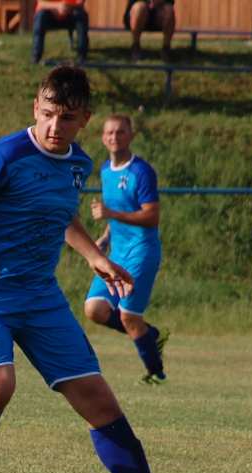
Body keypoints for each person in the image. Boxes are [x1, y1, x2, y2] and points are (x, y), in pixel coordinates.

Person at [0, 65, 193, 473]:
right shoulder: (1, 158)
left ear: (84, 120)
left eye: (67, 118)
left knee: (99, 398)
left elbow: (60, 215)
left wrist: (95, 256)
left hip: (40, 295)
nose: (55, 126)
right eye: (48, 113)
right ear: (36, 106)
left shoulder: (77, 164)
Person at [84, 114, 167, 385]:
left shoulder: (141, 172)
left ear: (131, 136)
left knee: (129, 316)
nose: (114, 137)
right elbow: (116, 215)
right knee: (94, 309)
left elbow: (151, 216)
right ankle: (149, 335)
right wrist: (106, 238)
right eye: (109, 132)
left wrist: (110, 213)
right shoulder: (106, 170)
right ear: (103, 137)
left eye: (120, 132)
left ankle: (157, 374)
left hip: (141, 251)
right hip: (117, 252)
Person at [32, 0, 89, 65]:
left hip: (70, 13)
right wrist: (57, 6)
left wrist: (68, 7)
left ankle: (82, 56)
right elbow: (40, 3)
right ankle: (36, 56)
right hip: (50, 15)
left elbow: (80, 3)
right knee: (40, 16)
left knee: (81, 14)